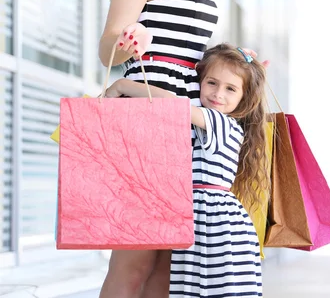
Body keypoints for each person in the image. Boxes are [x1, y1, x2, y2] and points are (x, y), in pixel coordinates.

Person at [98, 0, 244, 298]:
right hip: (145, 122)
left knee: (168, 269)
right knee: (135, 261)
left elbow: (191, 56)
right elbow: (108, 48)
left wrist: (242, 68)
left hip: (185, 125)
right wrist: (130, 38)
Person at [104, 43, 270, 298]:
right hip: (201, 218)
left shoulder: (221, 122)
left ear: (243, 99)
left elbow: (174, 104)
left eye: (230, 89)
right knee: (195, 288)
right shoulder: (207, 123)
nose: (218, 94)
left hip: (215, 224)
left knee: (216, 289)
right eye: (212, 83)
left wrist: (122, 86)